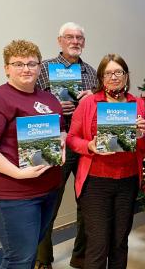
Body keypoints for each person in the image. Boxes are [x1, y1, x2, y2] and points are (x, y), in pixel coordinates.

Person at [0, 40, 65, 269]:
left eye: (32, 63)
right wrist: (18, 173)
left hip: (48, 190)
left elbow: (60, 130)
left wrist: (61, 142)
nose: (26, 69)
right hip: (13, 196)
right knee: (18, 259)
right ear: (6, 68)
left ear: (40, 67)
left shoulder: (49, 99)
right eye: (18, 64)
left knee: (28, 254)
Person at [66, 54, 145, 269]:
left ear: (126, 76)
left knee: (120, 241)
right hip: (95, 182)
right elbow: (72, 139)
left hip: (127, 181)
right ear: (101, 77)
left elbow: (144, 148)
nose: (114, 77)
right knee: (98, 242)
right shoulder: (89, 103)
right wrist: (90, 146)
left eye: (118, 72)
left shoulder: (138, 104)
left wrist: (140, 136)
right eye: (108, 73)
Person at [35, 22, 97, 269]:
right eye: (70, 37)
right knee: (49, 201)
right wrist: (54, 107)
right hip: (56, 141)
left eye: (80, 38)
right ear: (60, 40)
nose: (75, 41)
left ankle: (80, 257)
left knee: (88, 203)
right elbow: (31, 102)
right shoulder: (44, 69)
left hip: (84, 142)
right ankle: (43, 258)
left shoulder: (92, 73)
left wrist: (92, 97)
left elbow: (100, 107)